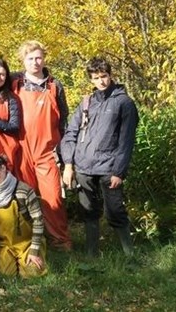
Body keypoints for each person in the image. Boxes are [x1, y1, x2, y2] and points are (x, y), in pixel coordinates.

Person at [60, 57, 139, 257]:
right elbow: (70, 133)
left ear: (111, 75)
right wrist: (68, 164)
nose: (101, 81)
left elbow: (126, 141)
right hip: (84, 166)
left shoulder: (124, 103)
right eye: (96, 78)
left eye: (104, 76)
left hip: (109, 167)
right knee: (88, 211)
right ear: (91, 79)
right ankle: (91, 254)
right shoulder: (87, 102)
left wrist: (119, 171)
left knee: (115, 211)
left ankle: (130, 255)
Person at [12, 40, 72, 251]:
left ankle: (60, 242)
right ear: (23, 61)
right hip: (22, 150)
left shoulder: (55, 85)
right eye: (30, 59)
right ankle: (28, 242)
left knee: (53, 198)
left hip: (48, 151)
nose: (35, 62)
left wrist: (64, 152)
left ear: (44, 58)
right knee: (23, 198)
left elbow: (64, 119)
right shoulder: (14, 83)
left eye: (38, 58)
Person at [0, 155, 47, 278]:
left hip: (27, 242)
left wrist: (34, 251)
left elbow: (38, 221)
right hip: (4, 244)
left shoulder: (24, 191)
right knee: (6, 275)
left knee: (33, 274)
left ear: (3, 168)